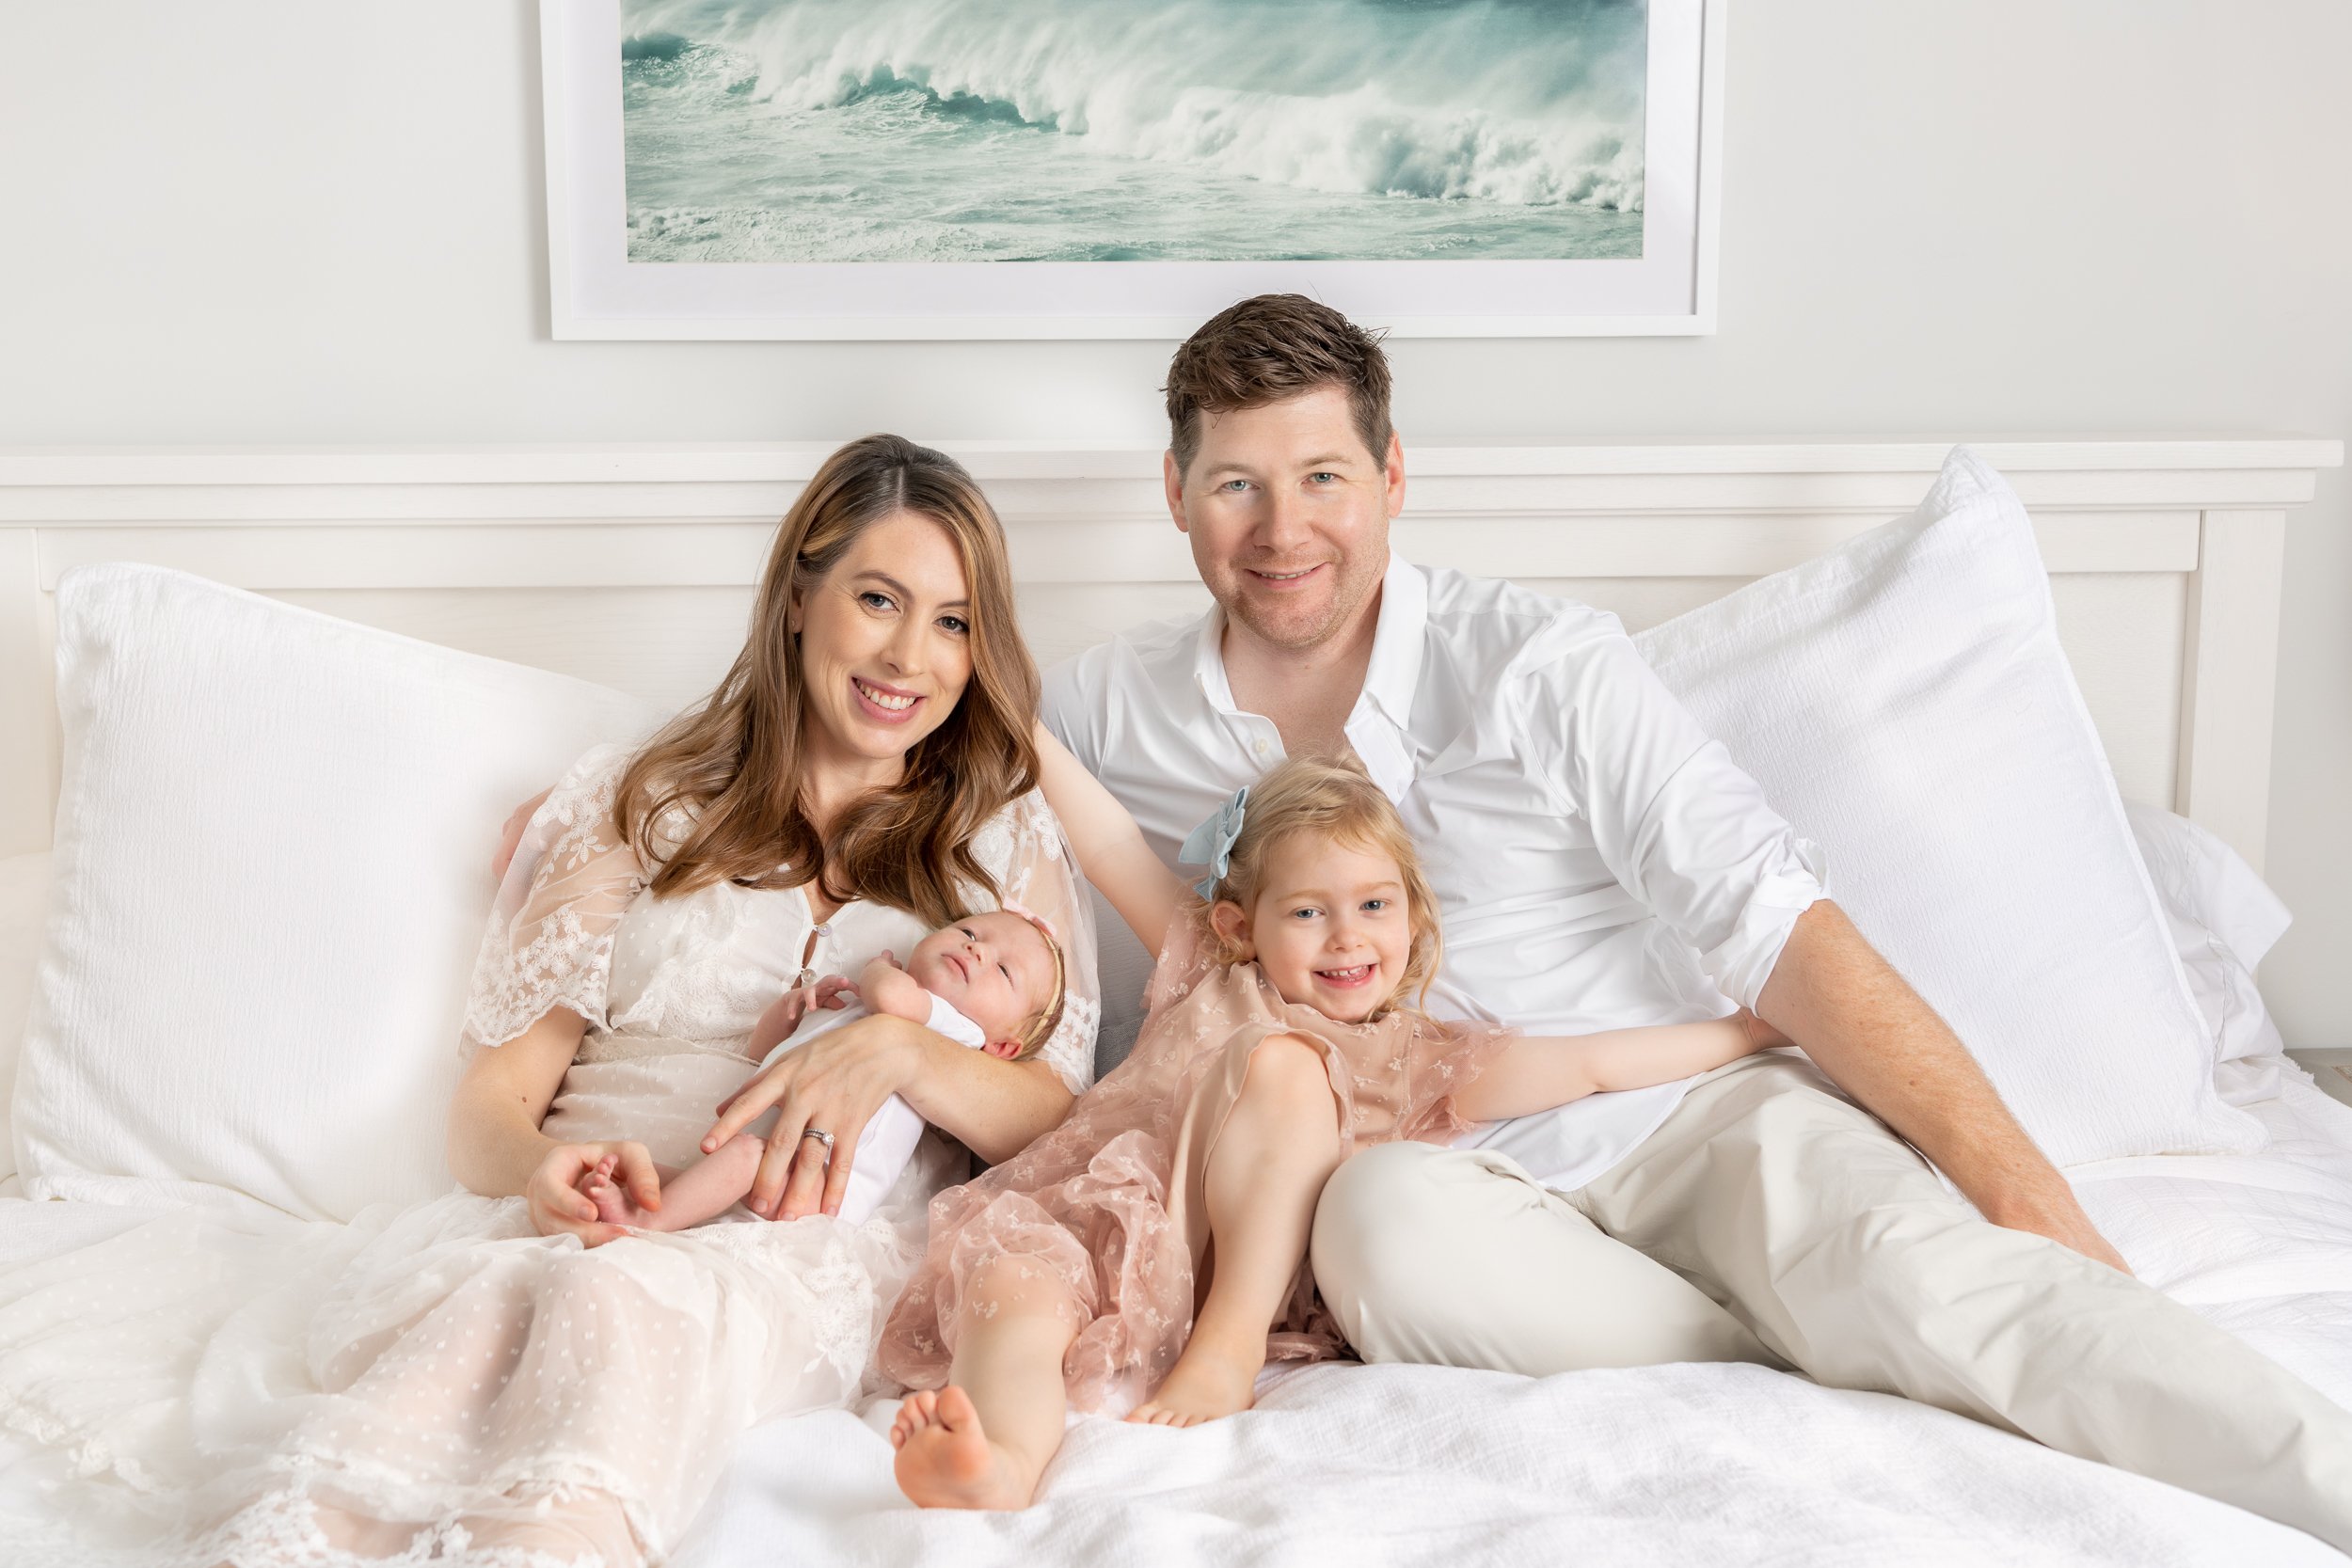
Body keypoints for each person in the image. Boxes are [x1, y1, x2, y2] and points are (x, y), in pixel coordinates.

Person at [1041, 293, 2352, 1549]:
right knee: (1374, 1223)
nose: (1283, 527)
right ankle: (1801, 1338)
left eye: (1323, 474)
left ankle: (2317, 1472)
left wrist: (2022, 1187)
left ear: (1393, 475)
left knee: (1933, 1279)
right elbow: (1001, 888)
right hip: (1443, 1177)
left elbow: (1773, 918)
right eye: (1236, 484)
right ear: (1176, 493)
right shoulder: (1113, 709)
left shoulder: (1537, 662)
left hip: (1679, 1115)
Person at [0, 435, 1100, 1567]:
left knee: (616, 1314)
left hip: (786, 1254)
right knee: (468, 1336)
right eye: (878, 598)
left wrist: (897, 1053)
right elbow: (494, 1100)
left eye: (954, 620)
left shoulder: (1001, 846)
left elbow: (1053, 1115)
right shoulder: (639, 800)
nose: (910, 654)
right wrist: (533, 1170)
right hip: (576, 1213)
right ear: (798, 597)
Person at [878, 748, 1777, 1511]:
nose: (1346, 937)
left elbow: (1590, 1064)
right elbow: (1108, 838)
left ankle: (1222, 1353)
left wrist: (1741, 1031)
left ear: (1415, 919)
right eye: (1308, 911)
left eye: (1374, 906)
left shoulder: (1412, 1053)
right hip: (1094, 1218)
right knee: (1012, 1293)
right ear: (1241, 924)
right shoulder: (1206, 966)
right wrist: (1018, 714)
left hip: (1224, 1276)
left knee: (1283, 1062)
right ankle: (994, 1461)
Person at [576, 911, 1069, 1233]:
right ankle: (642, 1198)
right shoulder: (869, 1011)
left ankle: (639, 1225)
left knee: (744, 1156)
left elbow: (892, 997)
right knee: (704, 1175)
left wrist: (878, 968)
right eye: (969, 932)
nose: (978, 950)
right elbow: (763, 1051)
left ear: (1002, 1046)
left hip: (823, 1189)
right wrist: (792, 1012)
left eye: (1005, 972)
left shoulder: (958, 1031)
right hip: (785, 1160)